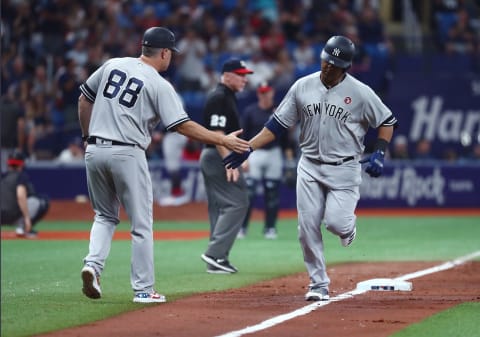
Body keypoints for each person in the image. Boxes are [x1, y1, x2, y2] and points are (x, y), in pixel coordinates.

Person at [77, 27, 250, 303]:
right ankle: (144, 289)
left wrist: (87, 137)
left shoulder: (113, 64)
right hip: (127, 152)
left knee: (105, 216)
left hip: (95, 149)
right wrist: (222, 139)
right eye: (171, 54)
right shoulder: (158, 83)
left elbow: (84, 99)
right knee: (142, 225)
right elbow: (182, 126)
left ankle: (93, 266)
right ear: (165, 52)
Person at [223, 36, 397, 301]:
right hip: (310, 166)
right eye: (326, 60)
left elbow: (387, 121)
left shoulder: (360, 92)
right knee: (306, 227)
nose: (328, 67)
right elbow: (277, 125)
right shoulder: (302, 86)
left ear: (346, 67)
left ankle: (347, 229)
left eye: (335, 64)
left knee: (336, 223)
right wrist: (249, 147)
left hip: (344, 168)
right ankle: (318, 283)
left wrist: (380, 152)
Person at [199, 58, 254, 274]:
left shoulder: (226, 96)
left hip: (215, 154)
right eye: (241, 75)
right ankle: (215, 254)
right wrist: (229, 161)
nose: (244, 79)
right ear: (227, 75)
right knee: (238, 202)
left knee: (219, 206)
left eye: (245, 75)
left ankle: (217, 260)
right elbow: (217, 134)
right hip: (217, 155)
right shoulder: (219, 97)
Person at [238, 82, 293, 240]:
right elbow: (243, 136)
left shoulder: (279, 112)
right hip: (254, 153)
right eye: (262, 92)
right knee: (249, 192)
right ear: (258, 94)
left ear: (272, 93)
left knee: (272, 193)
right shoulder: (250, 111)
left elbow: (286, 139)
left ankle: (270, 228)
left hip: (274, 153)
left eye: (267, 92)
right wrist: (244, 158)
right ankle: (242, 228)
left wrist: (289, 160)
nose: (264, 95)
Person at [0, 151, 50, 238]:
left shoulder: (3, 176)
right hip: (13, 215)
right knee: (42, 201)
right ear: (22, 164)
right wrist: (27, 218)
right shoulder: (20, 176)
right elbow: (20, 195)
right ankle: (23, 228)